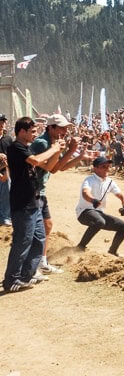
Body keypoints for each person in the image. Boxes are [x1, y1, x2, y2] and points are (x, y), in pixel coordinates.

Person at [3, 117, 63, 293]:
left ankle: (26, 275)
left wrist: (58, 152)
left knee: (38, 239)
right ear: (22, 132)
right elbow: (36, 161)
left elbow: (48, 167)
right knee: (23, 241)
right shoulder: (16, 147)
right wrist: (53, 148)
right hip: (23, 203)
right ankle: (11, 279)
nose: (35, 134)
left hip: (34, 200)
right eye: (32, 131)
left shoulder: (26, 148)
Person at [31, 114, 83, 275]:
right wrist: (65, 150)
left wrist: (72, 151)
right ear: (51, 127)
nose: (65, 131)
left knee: (46, 226)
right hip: (31, 190)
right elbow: (50, 168)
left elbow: (59, 167)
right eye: (61, 127)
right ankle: (32, 266)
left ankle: (41, 261)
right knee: (36, 229)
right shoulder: (42, 143)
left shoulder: (53, 142)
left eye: (66, 128)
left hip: (40, 189)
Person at [75, 156, 124, 256]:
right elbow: (85, 193)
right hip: (84, 212)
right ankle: (80, 247)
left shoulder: (110, 182)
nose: (107, 169)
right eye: (103, 166)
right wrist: (93, 200)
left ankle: (112, 251)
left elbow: (122, 196)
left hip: (99, 214)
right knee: (100, 221)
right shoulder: (89, 180)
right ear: (95, 168)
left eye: (108, 166)